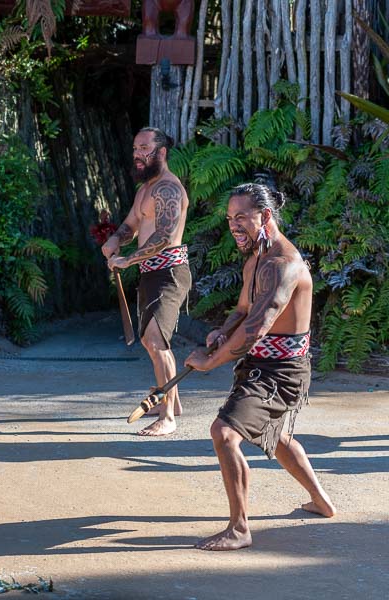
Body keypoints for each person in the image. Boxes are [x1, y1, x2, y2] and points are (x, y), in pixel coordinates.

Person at [185, 183, 336, 551]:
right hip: (263, 366)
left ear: (265, 216)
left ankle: (239, 529)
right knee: (276, 436)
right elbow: (242, 311)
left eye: (241, 218)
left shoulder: (284, 265)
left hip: (281, 371)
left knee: (224, 433)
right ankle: (321, 502)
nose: (233, 226)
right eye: (229, 218)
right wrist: (222, 331)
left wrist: (209, 362)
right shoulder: (256, 258)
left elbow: (255, 329)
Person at [102, 127, 191, 436]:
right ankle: (172, 401)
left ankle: (167, 416)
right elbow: (131, 225)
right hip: (150, 272)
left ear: (161, 152)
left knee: (156, 341)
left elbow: (164, 235)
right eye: (135, 149)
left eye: (144, 148)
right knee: (149, 340)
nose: (137, 154)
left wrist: (128, 259)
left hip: (169, 273)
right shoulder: (145, 190)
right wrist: (115, 240)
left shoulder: (168, 189)